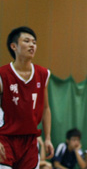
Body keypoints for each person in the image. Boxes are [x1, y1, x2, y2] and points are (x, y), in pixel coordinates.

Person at [0, 26, 54, 168]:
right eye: (27, 41)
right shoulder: (2, 74)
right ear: (14, 46)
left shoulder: (43, 74)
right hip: (5, 138)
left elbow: (46, 108)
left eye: (34, 42)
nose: (32, 45)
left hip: (30, 141)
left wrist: (48, 138)